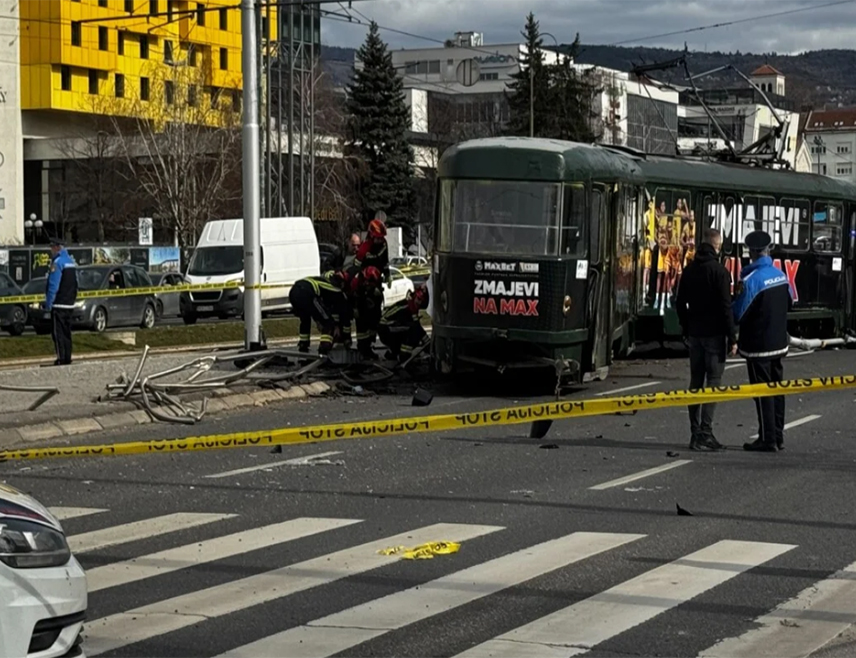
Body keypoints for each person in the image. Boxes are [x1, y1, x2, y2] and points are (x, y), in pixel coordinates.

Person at [675, 228, 736, 451]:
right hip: (715, 335)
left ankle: (694, 433)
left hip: (695, 334)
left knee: (695, 382)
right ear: (717, 247)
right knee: (714, 382)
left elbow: (680, 303)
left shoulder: (689, 270)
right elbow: (725, 306)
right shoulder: (719, 272)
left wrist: (685, 327)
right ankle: (706, 432)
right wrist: (732, 336)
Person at [732, 230, 793, 452]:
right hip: (779, 344)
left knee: (762, 393)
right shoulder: (781, 275)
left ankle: (767, 439)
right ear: (768, 251)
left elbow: (739, 313)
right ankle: (778, 435)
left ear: (752, 253)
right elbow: (789, 304)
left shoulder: (751, 281)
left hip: (758, 347)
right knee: (778, 390)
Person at [288, 271, 352, 355]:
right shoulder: (336, 291)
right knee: (328, 323)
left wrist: (318, 320)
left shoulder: (324, 278)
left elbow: (317, 309)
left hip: (294, 292)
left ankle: (303, 347)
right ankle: (324, 350)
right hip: (307, 293)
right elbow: (343, 314)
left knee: (305, 320)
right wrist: (342, 332)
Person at [44, 237, 78, 366]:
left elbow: (54, 285)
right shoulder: (71, 262)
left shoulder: (57, 263)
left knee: (58, 333)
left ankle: (61, 358)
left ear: (57, 248)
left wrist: (49, 303)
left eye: (52, 247)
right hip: (69, 304)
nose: (50, 250)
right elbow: (75, 283)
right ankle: (68, 357)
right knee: (67, 332)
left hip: (59, 303)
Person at [378, 286, 430, 363]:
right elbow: (416, 328)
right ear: (415, 296)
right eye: (418, 299)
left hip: (388, 329)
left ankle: (393, 353)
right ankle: (404, 356)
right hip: (385, 329)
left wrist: (427, 342)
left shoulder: (411, 305)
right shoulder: (407, 308)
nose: (419, 303)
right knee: (413, 331)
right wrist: (428, 344)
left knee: (412, 329)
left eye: (421, 301)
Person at [348, 265, 384, 360]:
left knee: (373, 320)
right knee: (361, 324)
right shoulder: (356, 282)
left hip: (368, 299)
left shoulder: (375, 278)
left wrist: (377, 292)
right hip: (357, 299)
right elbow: (352, 296)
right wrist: (354, 308)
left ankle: (368, 345)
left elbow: (378, 301)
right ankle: (363, 348)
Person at [350, 215, 390, 283]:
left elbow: (385, 261)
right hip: (365, 280)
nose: (381, 240)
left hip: (377, 278)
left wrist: (387, 274)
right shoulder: (365, 247)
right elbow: (356, 266)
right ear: (371, 236)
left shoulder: (384, 244)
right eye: (378, 238)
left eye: (382, 237)